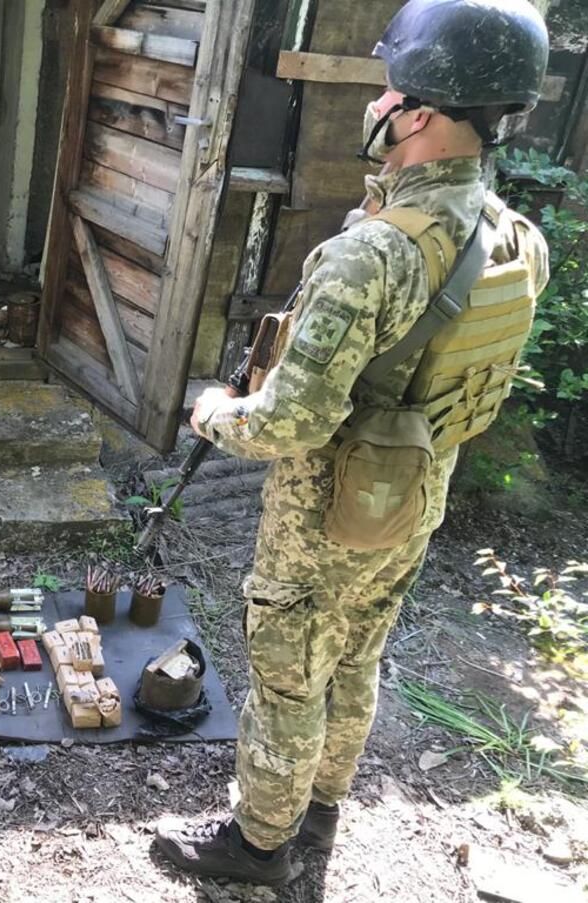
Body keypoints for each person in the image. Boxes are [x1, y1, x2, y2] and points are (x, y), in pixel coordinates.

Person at [155, 0, 550, 886]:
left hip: (323, 512)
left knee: (291, 673)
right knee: (360, 650)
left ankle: (258, 841)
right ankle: (324, 800)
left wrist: (213, 411)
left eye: (390, 87)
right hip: (414, 497)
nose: (377, 101)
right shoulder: (515, 239)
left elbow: (290, 423)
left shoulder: (374, 254)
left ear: (419, 115)